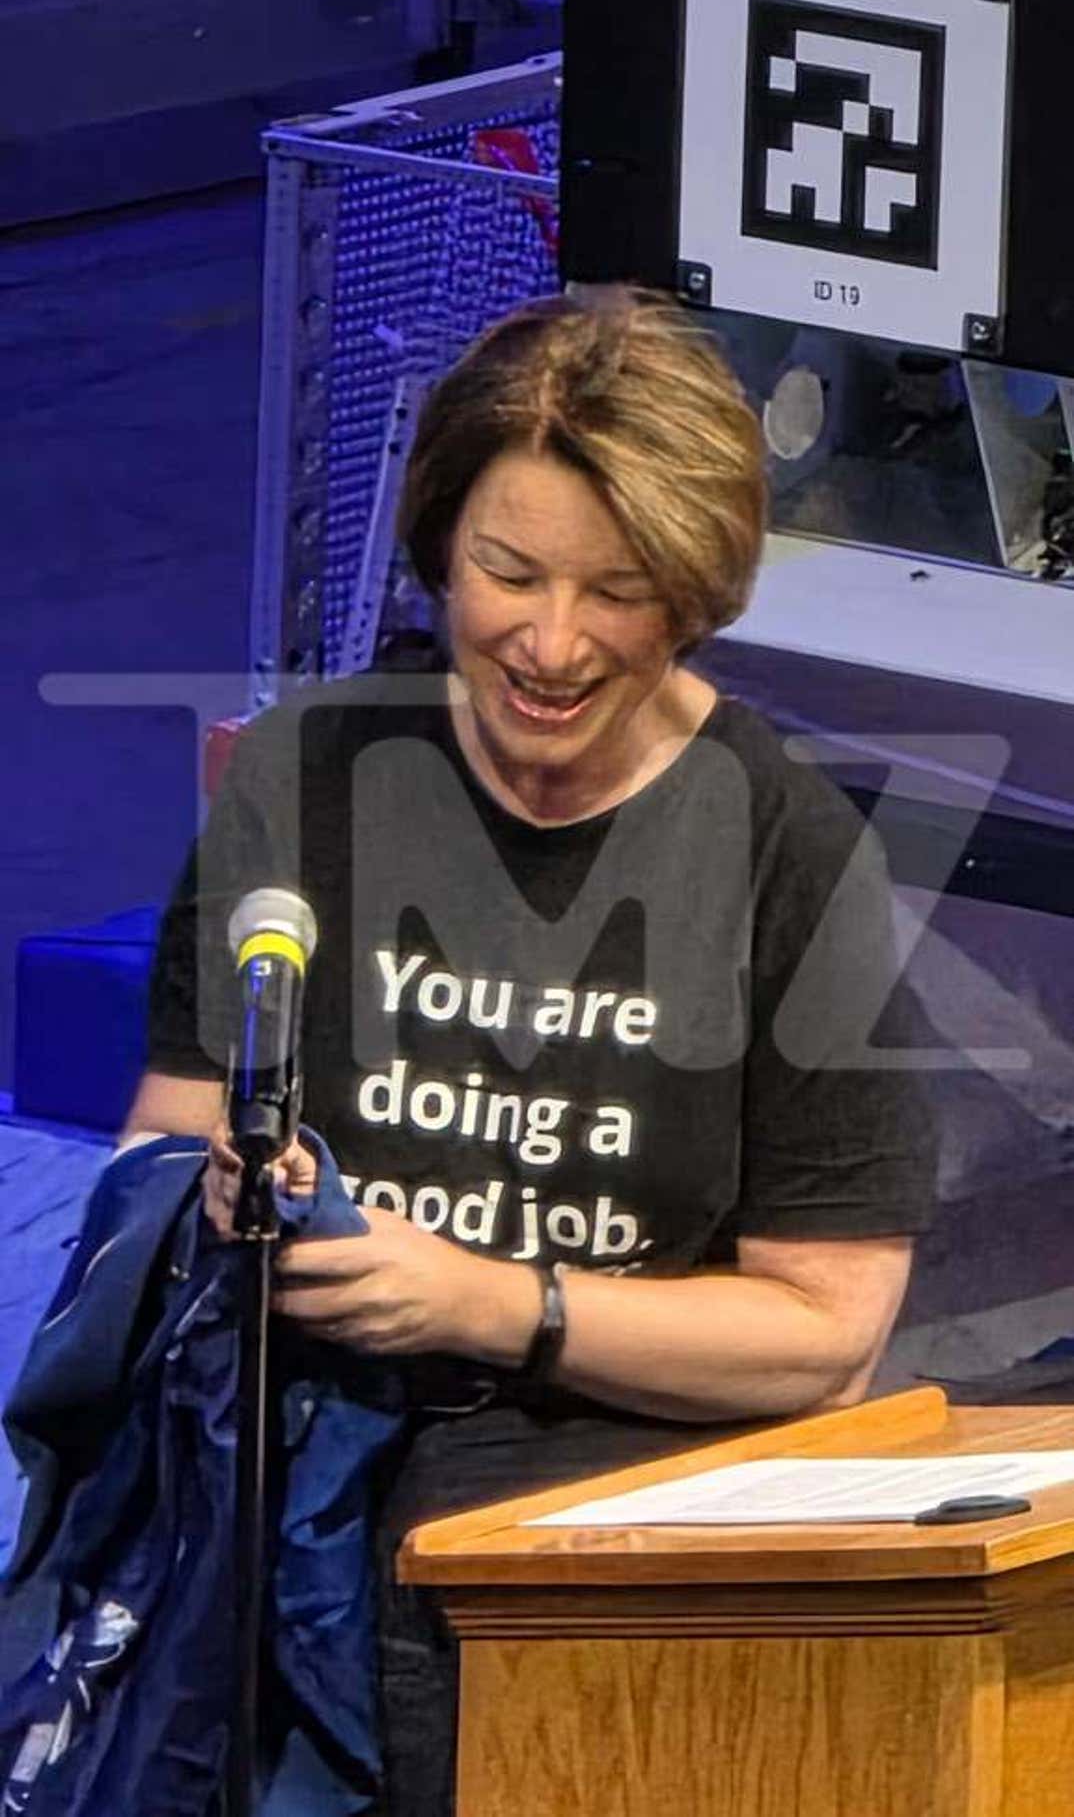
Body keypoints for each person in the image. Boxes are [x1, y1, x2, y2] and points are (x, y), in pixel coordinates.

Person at [123, 285, 936, 1813]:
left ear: (693, 592)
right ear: (441, 547)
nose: (550, 643)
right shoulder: (310, 772)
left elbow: (825, 1330)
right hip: (279, 1509)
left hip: (602, 1543)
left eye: (615, 591)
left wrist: (489, 1303)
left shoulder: (784, 852)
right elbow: (163, 1144)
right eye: (507, 573)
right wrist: (211, 1193)